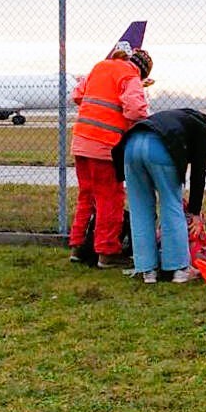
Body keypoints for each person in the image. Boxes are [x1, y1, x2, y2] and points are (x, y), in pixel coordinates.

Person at [69, 45, 153, 268]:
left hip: (81, 141)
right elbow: (136, 110)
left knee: (87, 196)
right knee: (110, 198)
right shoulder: (130, 75)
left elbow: (77, 95)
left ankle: (78, 247)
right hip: (104, 145)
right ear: (143, 71)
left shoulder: (100, 67)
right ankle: (107, 252)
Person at [111, 108, 206, 284]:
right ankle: (179, 270)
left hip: (130, 147)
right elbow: (198, 175)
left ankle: (147, 271)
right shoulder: (203, 131)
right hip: (160, 148)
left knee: (140, 211)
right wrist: (195, 213)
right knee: (171, 205)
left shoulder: (175, 118)